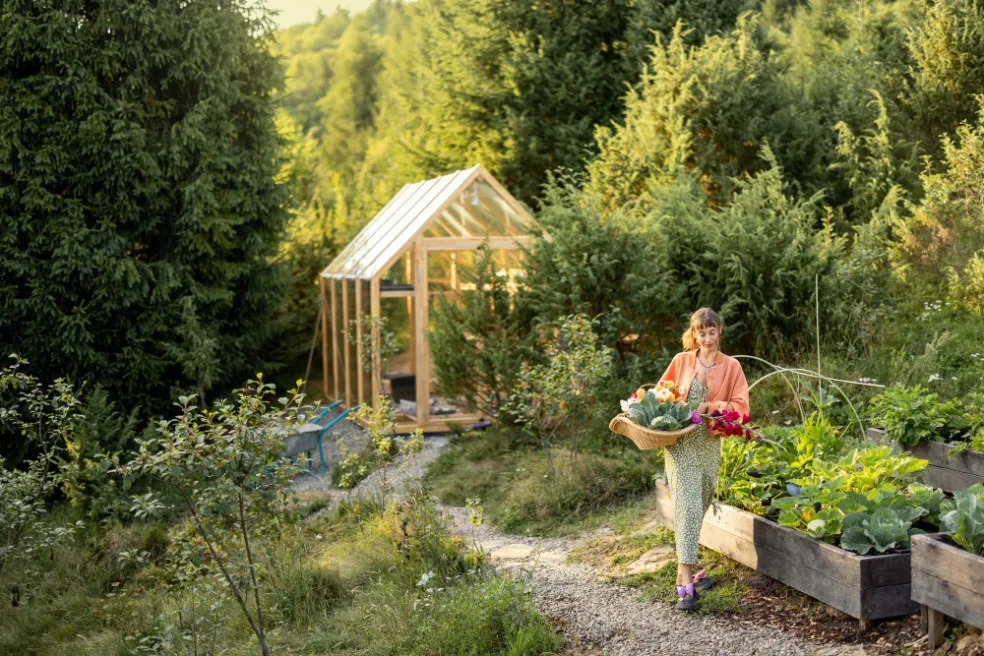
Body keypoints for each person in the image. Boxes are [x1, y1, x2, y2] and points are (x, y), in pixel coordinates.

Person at [657, 307, 749, 610]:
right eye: (701, 333)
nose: (707, 338)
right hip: (681, 443)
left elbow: (741, 408)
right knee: (687, 503)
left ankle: (687, 572)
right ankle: (685, 583)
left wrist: (710, 407)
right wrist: (676, 407)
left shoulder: (732, 366)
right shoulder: (681, 361)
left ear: (719, 330)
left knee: (701, 499)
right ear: (694, 334)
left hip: (709, 443)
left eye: (711, 332)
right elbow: (660, 395)